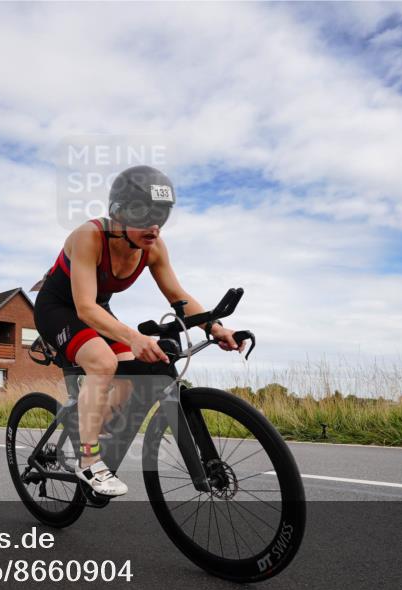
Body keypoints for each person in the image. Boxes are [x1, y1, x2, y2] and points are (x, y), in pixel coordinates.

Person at [34, 165, 245, 496]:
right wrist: (132, 335)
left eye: (161, 215)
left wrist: (214, 326)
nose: (153, 225)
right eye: (143, 214)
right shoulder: (87, 237)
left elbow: (179, 297)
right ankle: (88, 462)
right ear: (117, 214)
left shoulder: (154, 248)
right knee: (103, 363)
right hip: (59, 307)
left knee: (133, 370)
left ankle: (89, 426)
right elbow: (85, 307)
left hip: (96, 308)